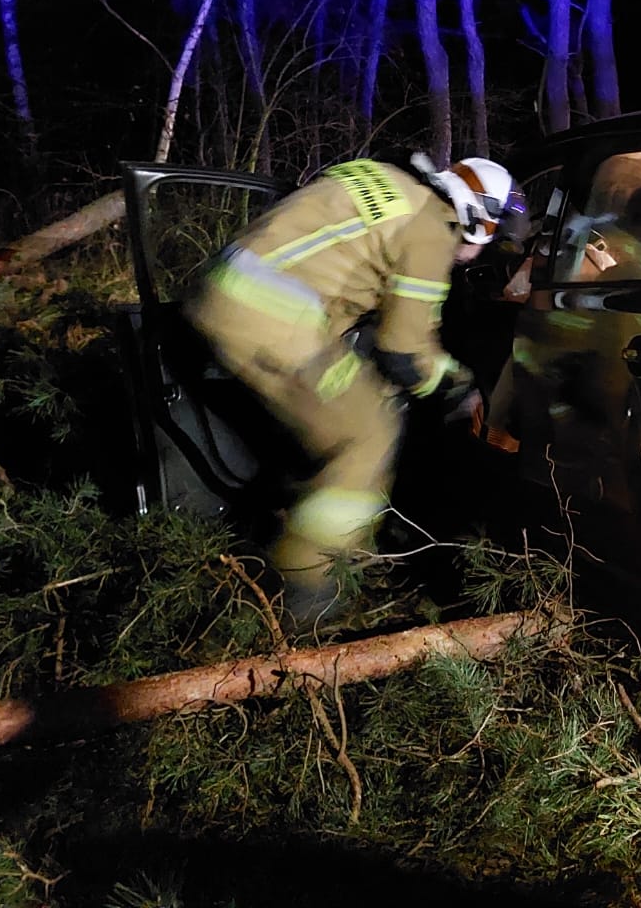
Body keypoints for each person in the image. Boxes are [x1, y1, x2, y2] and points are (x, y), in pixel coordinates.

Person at [184, 152, 519, 622]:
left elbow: (338, 263)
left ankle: (298, 526)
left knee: (347, 404)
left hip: (220, 286)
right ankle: (304, 590)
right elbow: (403, 351)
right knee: (369, 435)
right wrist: (459, 387)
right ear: (475, 219)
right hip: (270, 317)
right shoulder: (431, 232)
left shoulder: (383, 177)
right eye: (492, 231)